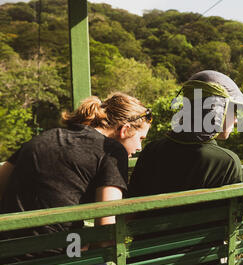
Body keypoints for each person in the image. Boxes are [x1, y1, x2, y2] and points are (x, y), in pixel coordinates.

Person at [0, 92, 151, 249]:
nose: (139, 147)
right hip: (58, 257)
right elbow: (105, 235)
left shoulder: (43, 137)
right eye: (141, 139)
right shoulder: (112, 152)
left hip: (9, 252)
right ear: (125, 130)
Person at [128, 70, 243, 198]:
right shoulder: (228, 162)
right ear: (217, 111)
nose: (235, 120)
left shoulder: (152, 150)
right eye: (233, 111)